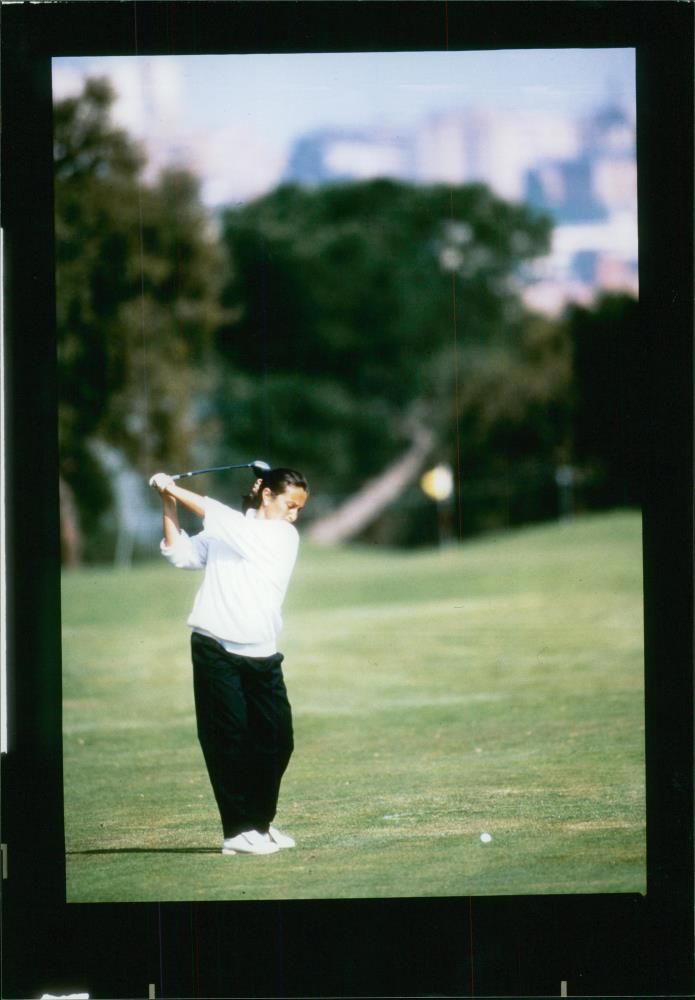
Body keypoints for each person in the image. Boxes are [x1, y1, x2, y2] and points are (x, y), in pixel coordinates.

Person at [148, 466, 309, 856]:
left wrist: (173, 485)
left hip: (262, 653)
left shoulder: (281, 535)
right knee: (229, 739)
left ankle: (258, 824)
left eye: (299, 509)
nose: (295, 515)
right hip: (214, 646)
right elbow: (183, 554)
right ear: (267, 495)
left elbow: (219, 515)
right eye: (290, 505)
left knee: (278, 740)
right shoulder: (232, 530)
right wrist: (169, 501)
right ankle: (238, 832)